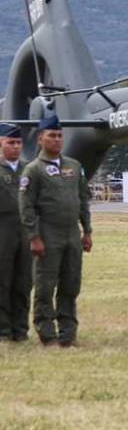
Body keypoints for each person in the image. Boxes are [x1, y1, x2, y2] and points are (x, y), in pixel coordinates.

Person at [18, 113, 92, 347]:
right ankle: (47, 334)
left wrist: (87, 230)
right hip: (47, 233)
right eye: (52, 136)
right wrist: (34, 236)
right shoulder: (33, 170)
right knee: (45, 286)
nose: (57, 140)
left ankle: (68, 334)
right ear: (40, 139)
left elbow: (82, 199)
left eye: (60, 136)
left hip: (71, 234)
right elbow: (26, 206)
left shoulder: (74, 166)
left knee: (71, 285)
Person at [0, 123, 31, 342]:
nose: (15, 147)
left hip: (26, 233)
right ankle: (3, 331)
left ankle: (20, 330)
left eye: (18, 143)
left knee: (23, 282)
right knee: (2, 282)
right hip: (3, 232)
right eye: (10, 142)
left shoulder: (28, 170)